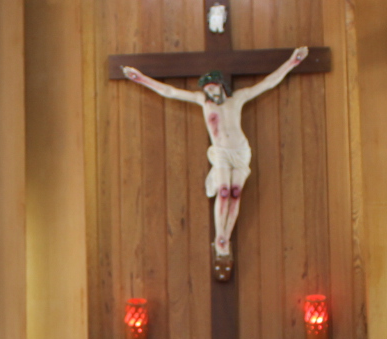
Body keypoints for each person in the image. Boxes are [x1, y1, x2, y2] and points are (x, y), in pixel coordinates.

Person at [121, 46, 309, 280]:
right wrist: (140, 78)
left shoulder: (237, 99)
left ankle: (226, 237)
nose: (209, 92)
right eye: (207, 89)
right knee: (224, 191)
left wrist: (293, 62)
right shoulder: (204, 102)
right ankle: (220, 239)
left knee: (236, 192)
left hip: (240, 151)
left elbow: (268, 83)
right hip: (220, 152)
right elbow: (170, 91)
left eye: (212, 87)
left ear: (221, 85)